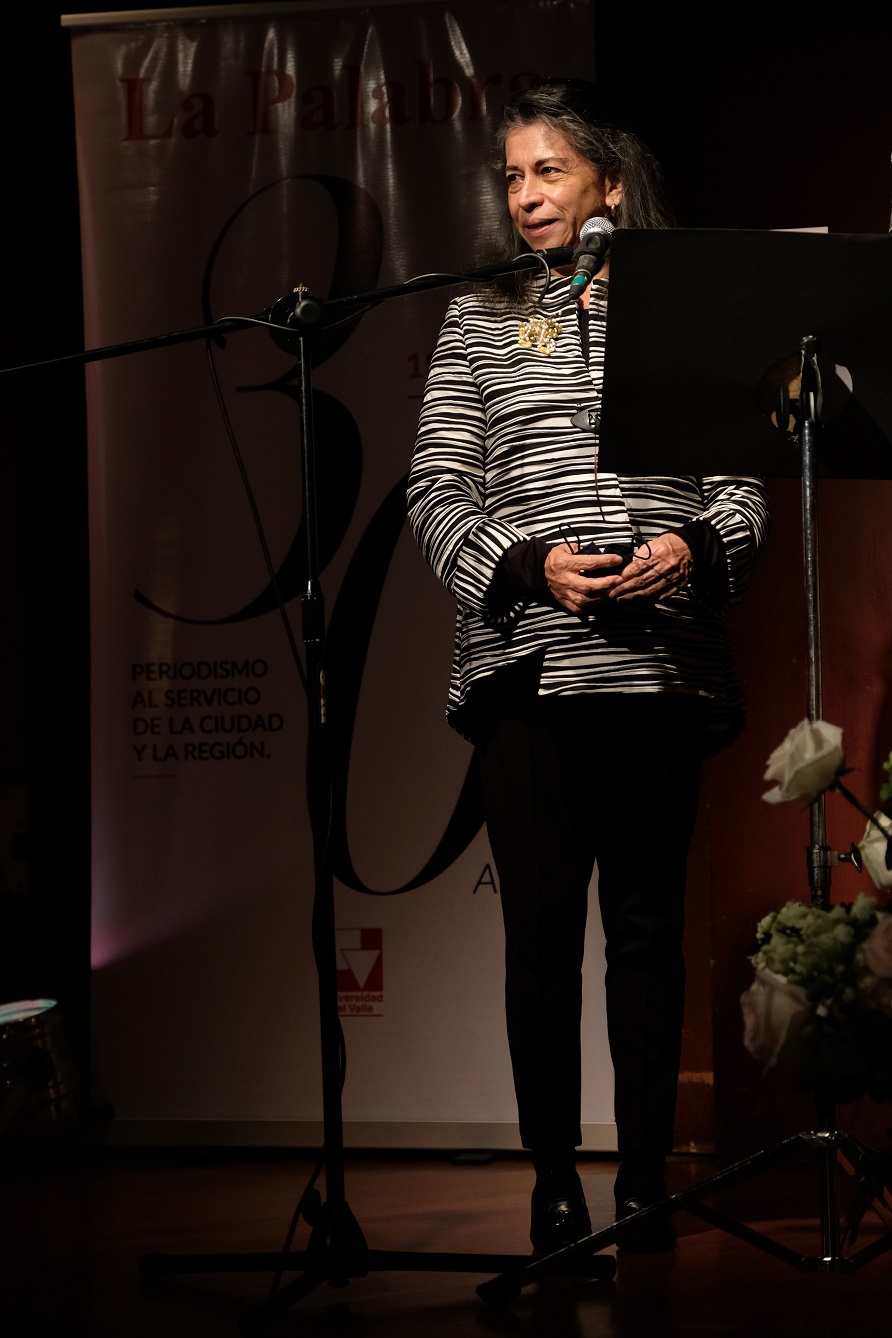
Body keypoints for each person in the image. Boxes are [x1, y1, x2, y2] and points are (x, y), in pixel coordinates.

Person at [407, 76, 770, 1255]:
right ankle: (555, 1182)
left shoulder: (685, 308)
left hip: (658, 673)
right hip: (526, 671)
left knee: (647, 934)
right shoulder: (477, 315)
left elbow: (743, 488)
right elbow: (436, 490)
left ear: (609, 182)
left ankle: (646, 1179)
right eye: (511, 176)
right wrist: (527, 566)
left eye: (547, 170)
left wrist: (689, 547)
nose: (525, 195)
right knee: (542, 937)